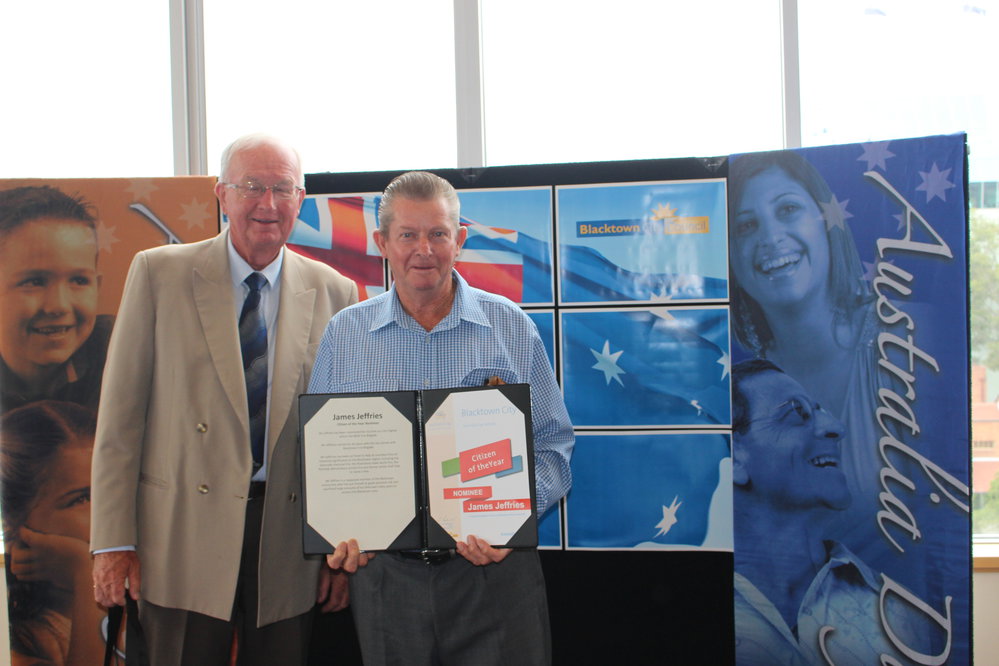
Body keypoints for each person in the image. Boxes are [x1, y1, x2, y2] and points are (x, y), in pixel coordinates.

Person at [89, 133, 359, 666]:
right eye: (252, 186)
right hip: (179, 536)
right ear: (222, 195)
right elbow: (120, 423)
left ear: (301, 201)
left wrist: (336, 550)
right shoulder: (159, 274)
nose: (268, 203)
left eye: (283, 189)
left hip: (286, 542)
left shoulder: (336, 291)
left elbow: (342, 437)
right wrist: (112, 543)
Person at [308, 170, 574, 665]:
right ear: (381, 242)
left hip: (495, 576)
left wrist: (511, 520)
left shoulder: (510, 327)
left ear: (460, 241)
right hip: (388, 581)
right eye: (407, 234)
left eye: (438, 233)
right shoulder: (346, 336)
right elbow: (321, 461)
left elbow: (554, 446)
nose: (423, 249)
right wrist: (337, 530)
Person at [727, 150, 884, 554]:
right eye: (746, 225)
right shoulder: (732, 376)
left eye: (789, 209)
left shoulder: (904, 345)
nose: (770, 238)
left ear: (826, 222)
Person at [731, 359, 925, 665]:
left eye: (820, 411)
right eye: (796, 414)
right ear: (733, 459)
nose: (836, 427)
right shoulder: (691, 609)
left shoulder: (894, 616)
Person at [2, 401, 105, 666]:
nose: (109, 510)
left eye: (112, 489)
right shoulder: (27, 642)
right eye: (83, 498)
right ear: (16, 522)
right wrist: (84, 572)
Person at [0, 186, 112, 415]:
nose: (58, 306)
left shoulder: (124, 355)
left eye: (79, 281)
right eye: (34, 282)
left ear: (97, 287)